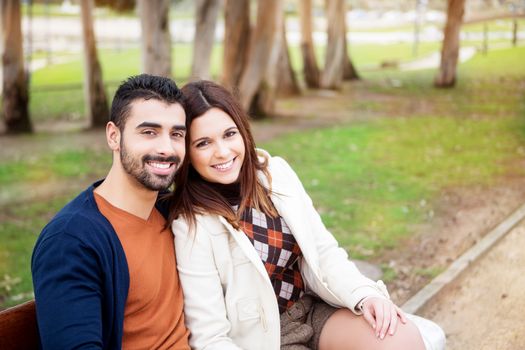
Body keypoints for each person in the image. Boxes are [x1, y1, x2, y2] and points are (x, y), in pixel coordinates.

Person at [169, 80, 446, 350]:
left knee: (401, 339)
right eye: (203, 143)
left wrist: (365, 295)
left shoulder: (275, 174)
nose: (222, 151)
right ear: (187, 154)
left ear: (243, 131)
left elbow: (324, 252)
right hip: (267, 339)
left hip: (315, 310)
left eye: (229, 134)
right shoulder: (191, 225)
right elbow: (209, 337)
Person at [32, 74, 190, 349]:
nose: (167, 148)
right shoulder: (70, 241)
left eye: (176, 134)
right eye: (149, 132)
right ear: (114, 136)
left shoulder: (172, 212)